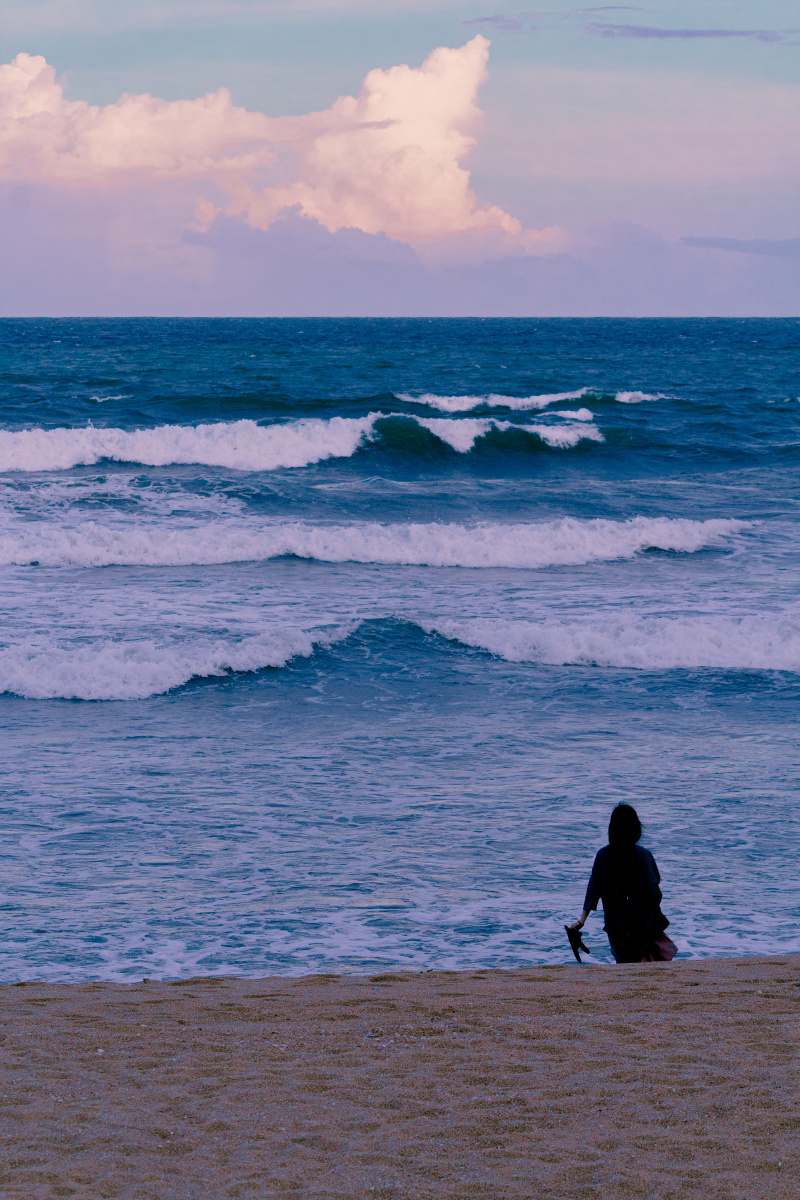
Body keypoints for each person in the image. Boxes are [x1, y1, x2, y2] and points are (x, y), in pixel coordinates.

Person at [569, 803, 676, 963]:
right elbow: (653, 890)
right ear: (635, 829)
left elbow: (593, 890)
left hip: (615, 925)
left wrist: (581, 921)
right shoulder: (643, 856)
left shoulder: (603, 855)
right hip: (642, 923)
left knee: (626, 964)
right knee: (648, 962)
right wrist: (654, 917)